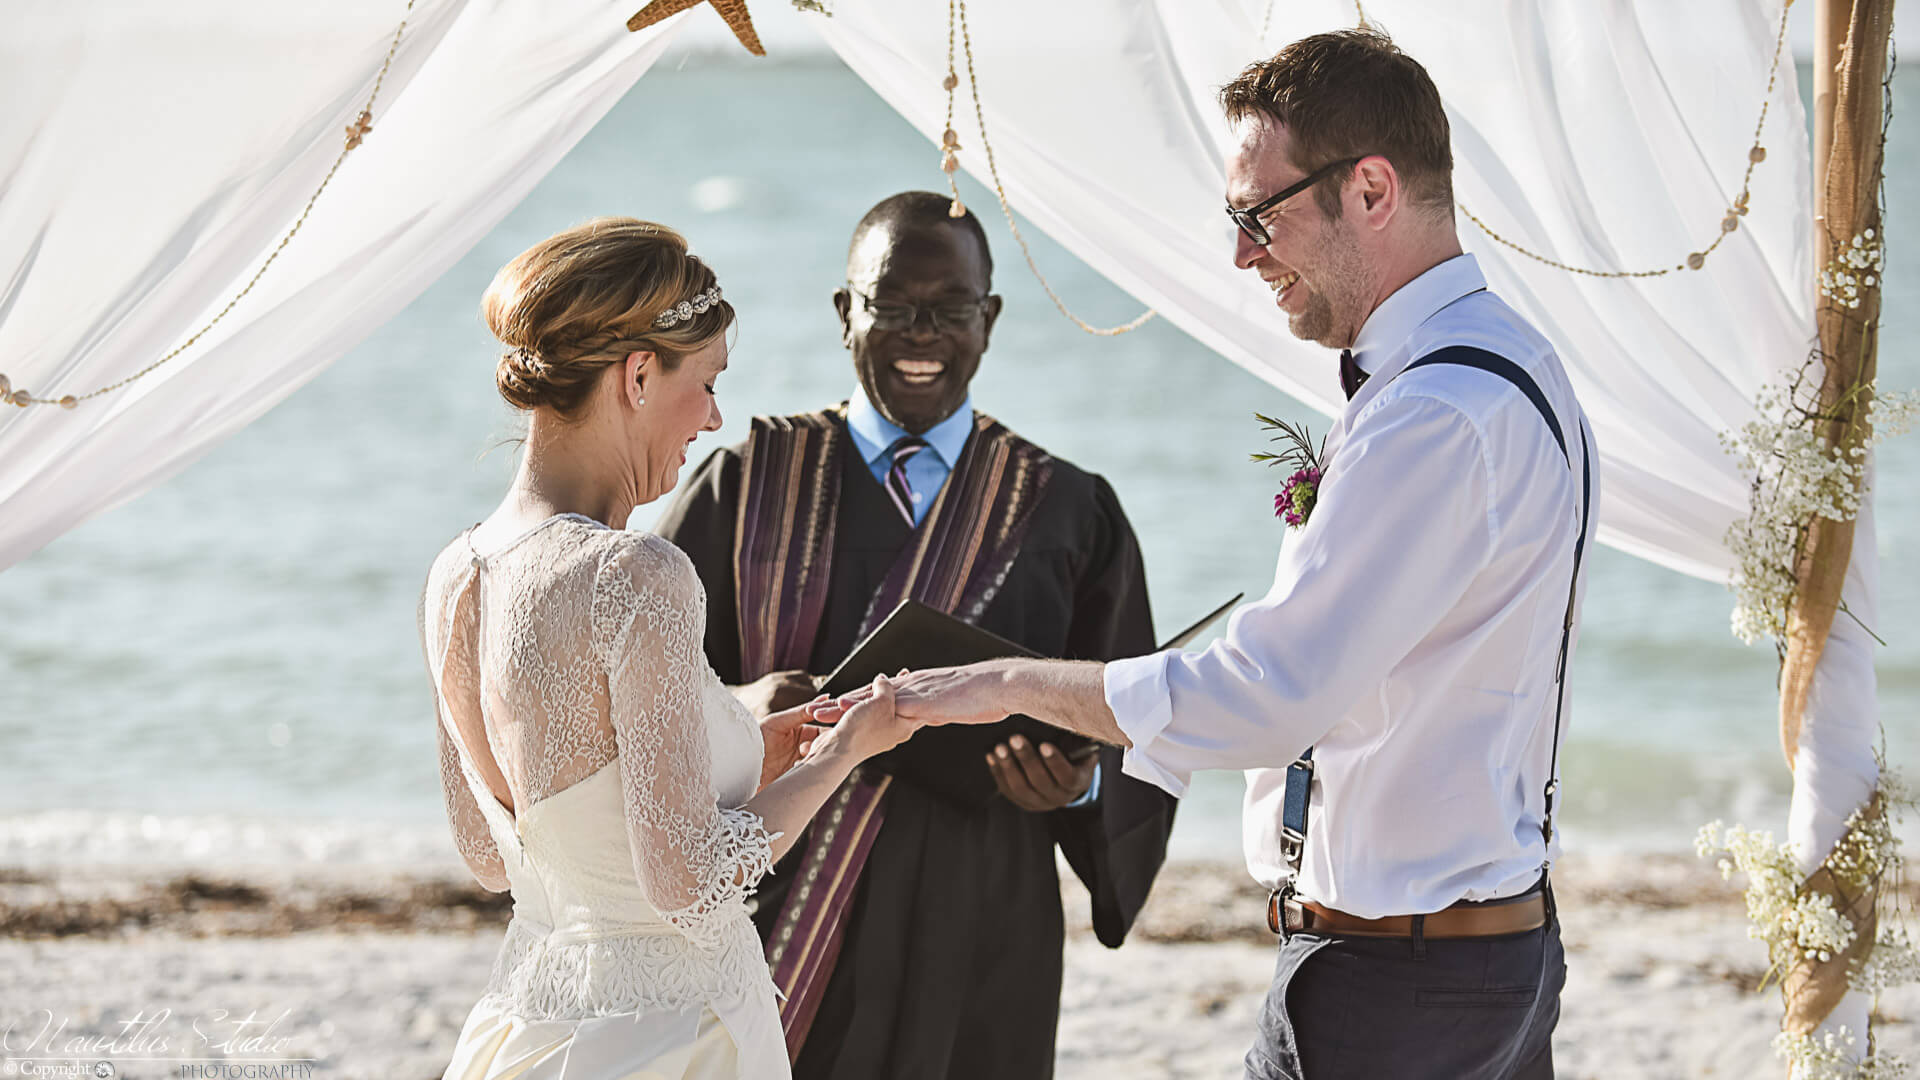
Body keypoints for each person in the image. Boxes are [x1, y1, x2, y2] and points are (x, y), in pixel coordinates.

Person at [824, 32, 1598, 1080]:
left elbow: (1273, 694)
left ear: (1371, 188)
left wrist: (1009, 682)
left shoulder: (1435, 415)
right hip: (1471, 958)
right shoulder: (1515, 364)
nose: (1242, 254)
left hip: (1403, 988)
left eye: (1259, 214)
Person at [654, 191, 1176, 1079]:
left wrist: (1079, 791)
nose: (921, 335)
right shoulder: (746, 483)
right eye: (891, 307)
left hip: (985, 911)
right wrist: (745, 709)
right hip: (786, 900)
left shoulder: (1066, 509)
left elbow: (1140, 716)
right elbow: (648, 696)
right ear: (844, 313)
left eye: (951, 310)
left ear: (991, 318)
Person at [419, 217, 916, 1080]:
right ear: (639, 373)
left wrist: (746, 742)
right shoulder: (636, 576)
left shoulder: (454, 575)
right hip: (675, 1037)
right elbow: (688, 883)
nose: (717, 416)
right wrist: (842, 755)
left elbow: (489, 858)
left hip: (532, 1021)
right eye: (711, 380)